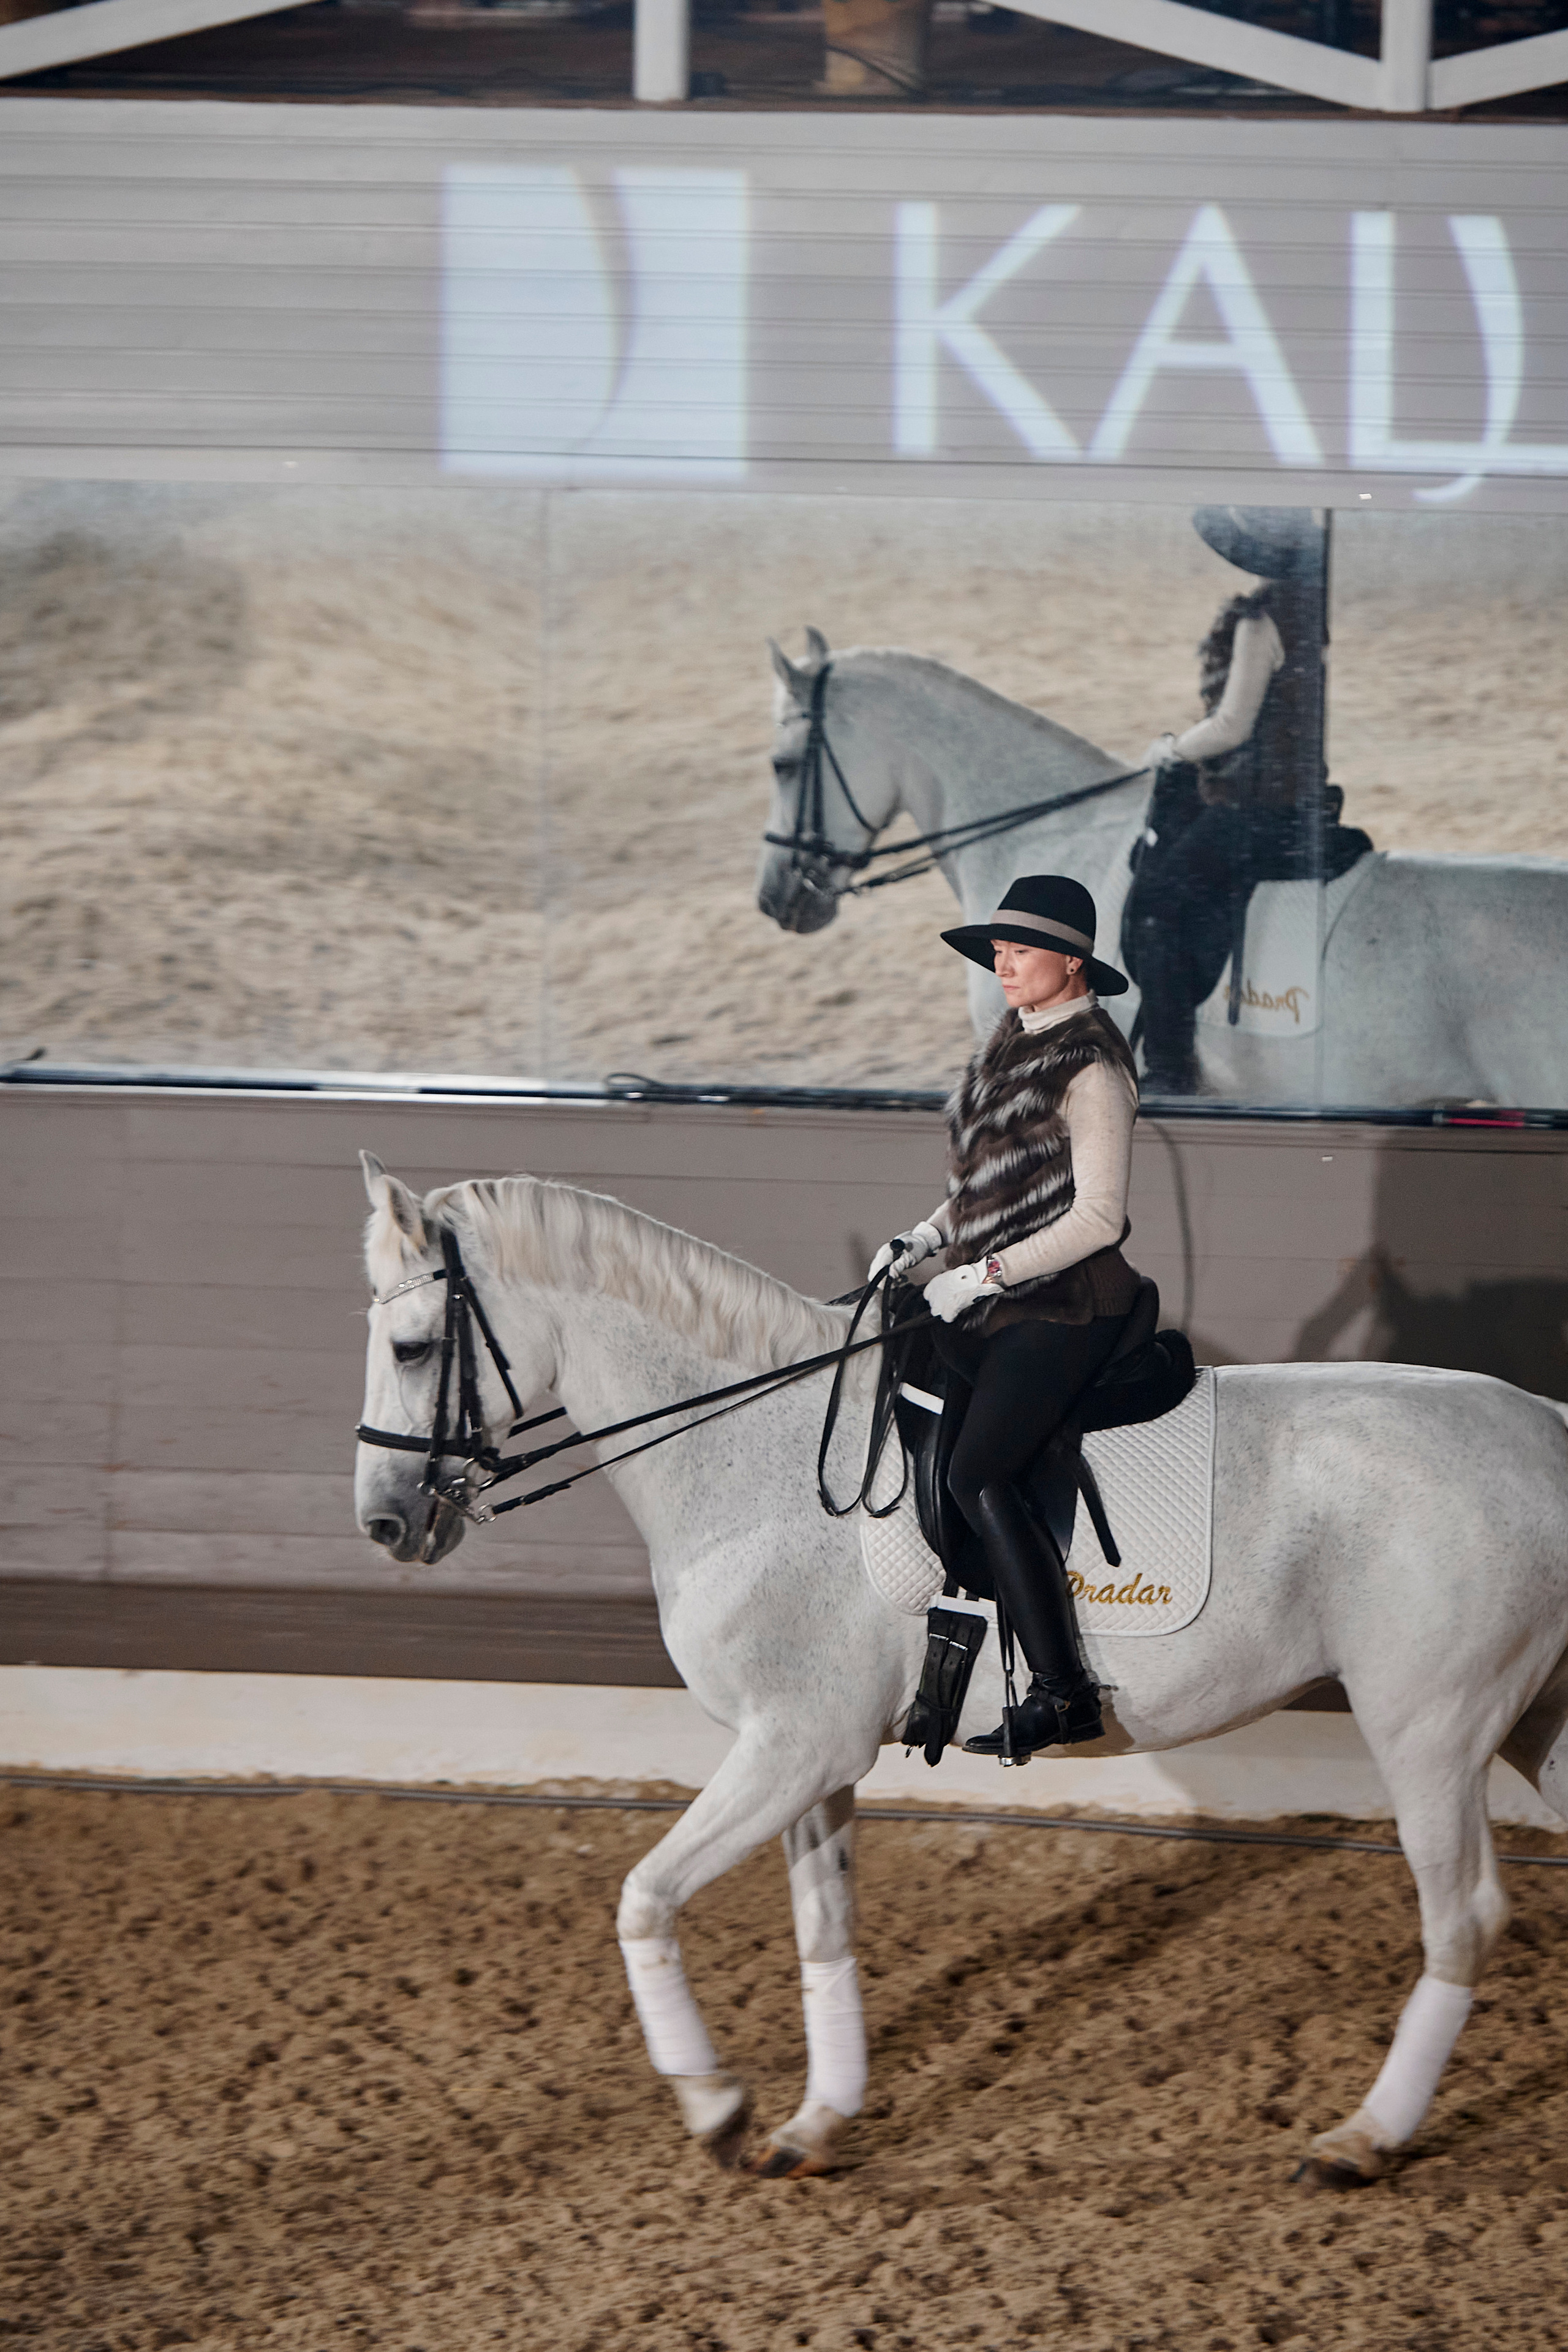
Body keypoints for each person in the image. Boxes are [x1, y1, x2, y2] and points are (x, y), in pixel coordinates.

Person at [869, 873, 1141, 1759]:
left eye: (1021, 950)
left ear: (1073, 962)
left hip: (1067, 1304)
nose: (1003, 964)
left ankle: (1064, 1694)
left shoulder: (1092, 1070)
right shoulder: (1008, 1047)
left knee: (977, 1470)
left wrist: (982, 1274)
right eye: (998, 950)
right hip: (998, 1296)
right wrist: (925, 1237)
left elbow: (1098, 1220)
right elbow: (986, 1189)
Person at [1127, 507, 1326, 1097]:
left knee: (1157, 905)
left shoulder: (1260, 623)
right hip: (1305, 802)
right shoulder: (1311, 612)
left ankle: (1170, 1065)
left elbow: (1232, 726)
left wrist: (1169, 750)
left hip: (1256, 810)